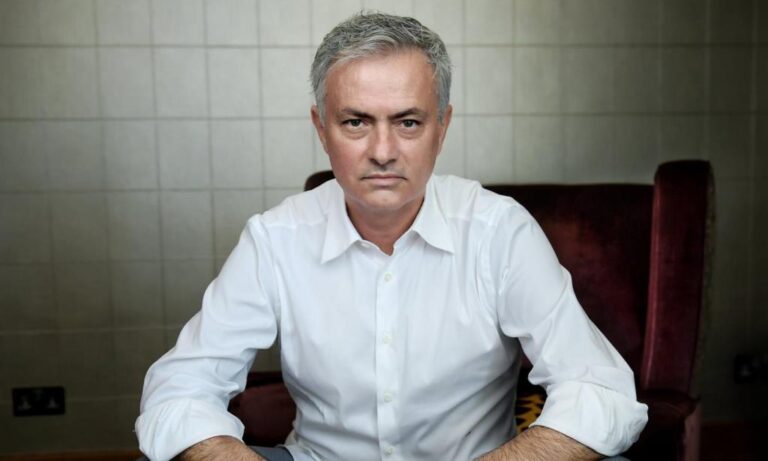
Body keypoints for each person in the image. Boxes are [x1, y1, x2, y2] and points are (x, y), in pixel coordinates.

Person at [136, 12, 648, 461]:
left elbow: (600, 389)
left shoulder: (499, 231)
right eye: (356, 122)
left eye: (407, 122)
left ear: (442, 127)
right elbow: (179, 389)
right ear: (321, 128)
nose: (383, 151)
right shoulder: (275, 238)